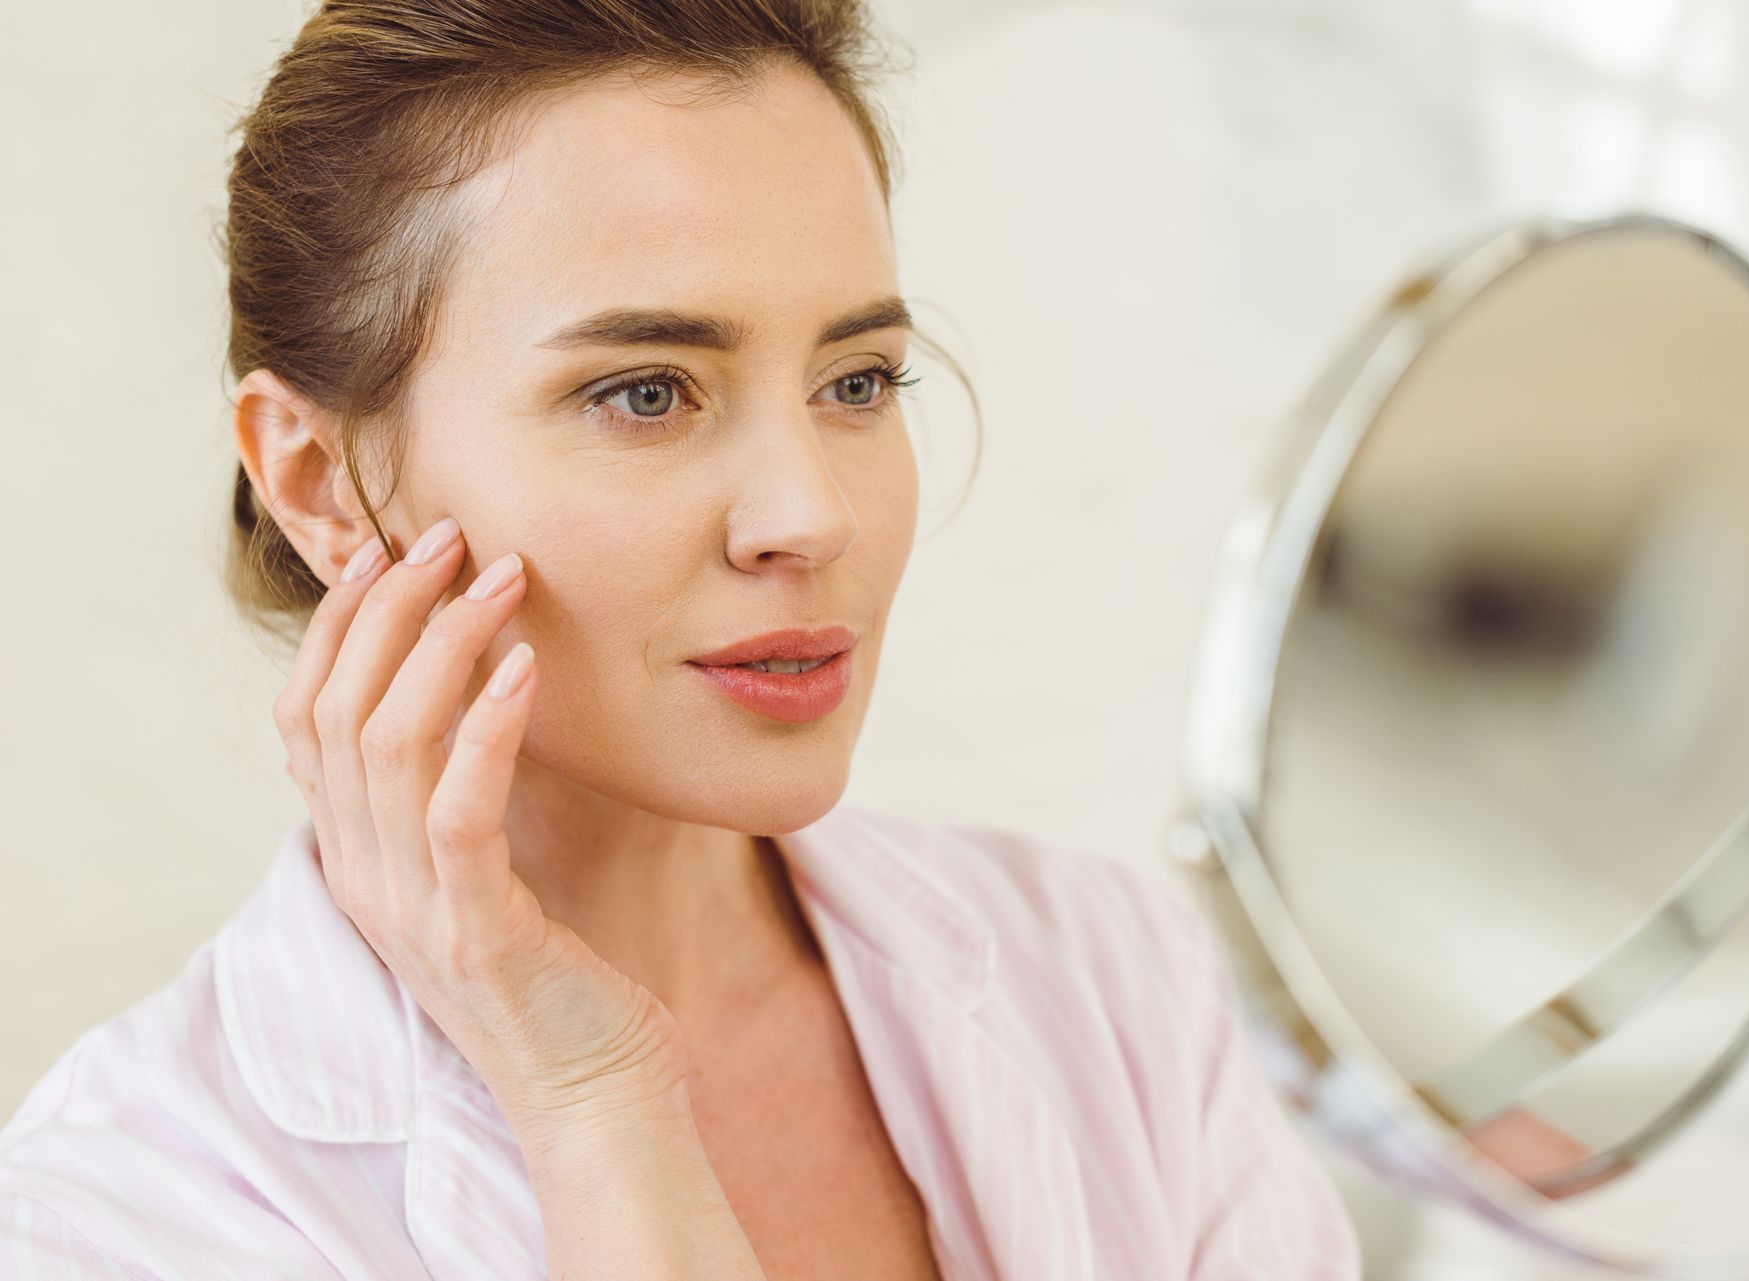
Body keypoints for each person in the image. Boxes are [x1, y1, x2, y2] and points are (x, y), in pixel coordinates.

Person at [0, 0, 1360, 1276]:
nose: (808, 515)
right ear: (314, 479)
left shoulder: (1112, 979)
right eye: (646, 392)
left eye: (857, 381)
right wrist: (594, 1102)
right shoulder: (122, 1210)